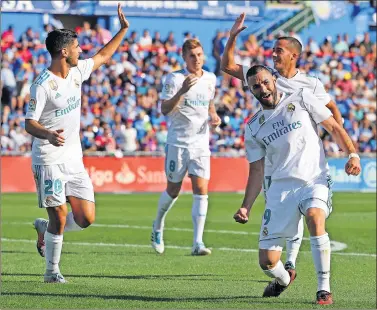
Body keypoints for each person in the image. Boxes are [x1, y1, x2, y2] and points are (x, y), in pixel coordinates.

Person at [220, 12, 344, 273]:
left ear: (293, 55)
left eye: (279, 50)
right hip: (275, 153)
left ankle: (291, 264)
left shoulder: (310, 84)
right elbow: (227, 66)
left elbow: (330, 106)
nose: (273, 55)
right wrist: (232, 37)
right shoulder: (265, 77)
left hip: (303, 151)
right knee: (287, 203)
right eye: (273, 51)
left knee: (308, 206)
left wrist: (334, 134)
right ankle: (286, 265)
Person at [233, 65, 361, 304]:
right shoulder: (252, 127)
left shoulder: (301, 97)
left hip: (313, 179)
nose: (263, 89)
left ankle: (324, 288)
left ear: (274, 79)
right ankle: (283, 279)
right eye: (255, 86)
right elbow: (257, 170)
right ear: (250, 90)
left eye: (265, 82)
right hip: (280, 190)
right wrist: (246, 207)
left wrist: (352, 154)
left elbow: (333, 126)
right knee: (268, 262)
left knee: (314, 215)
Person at [25, 4, 130, 283]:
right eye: (76, 47)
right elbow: (28, 122)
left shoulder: (77, 72)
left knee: (86, 218)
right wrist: (47, 134)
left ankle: (44, 229)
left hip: (73, 159)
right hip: (48, 158)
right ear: (64, 52)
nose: (81, 50)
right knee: (60, 215)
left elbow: (104, 55)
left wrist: (123, 30)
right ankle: (52, 271)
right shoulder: (42, 85)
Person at [151, 39, 221, 256]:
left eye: (199, 55)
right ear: (184, 57)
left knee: (201, 190)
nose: (197, 59)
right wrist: (181, 91)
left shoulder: (210, 78)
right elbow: (164, 109)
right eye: (192, 56)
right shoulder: (175, 78)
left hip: (201, 144)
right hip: (178, 143)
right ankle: (157, 226)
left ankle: (197, 243)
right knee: (173, 190)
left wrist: (214, 115)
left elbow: (209, 103)